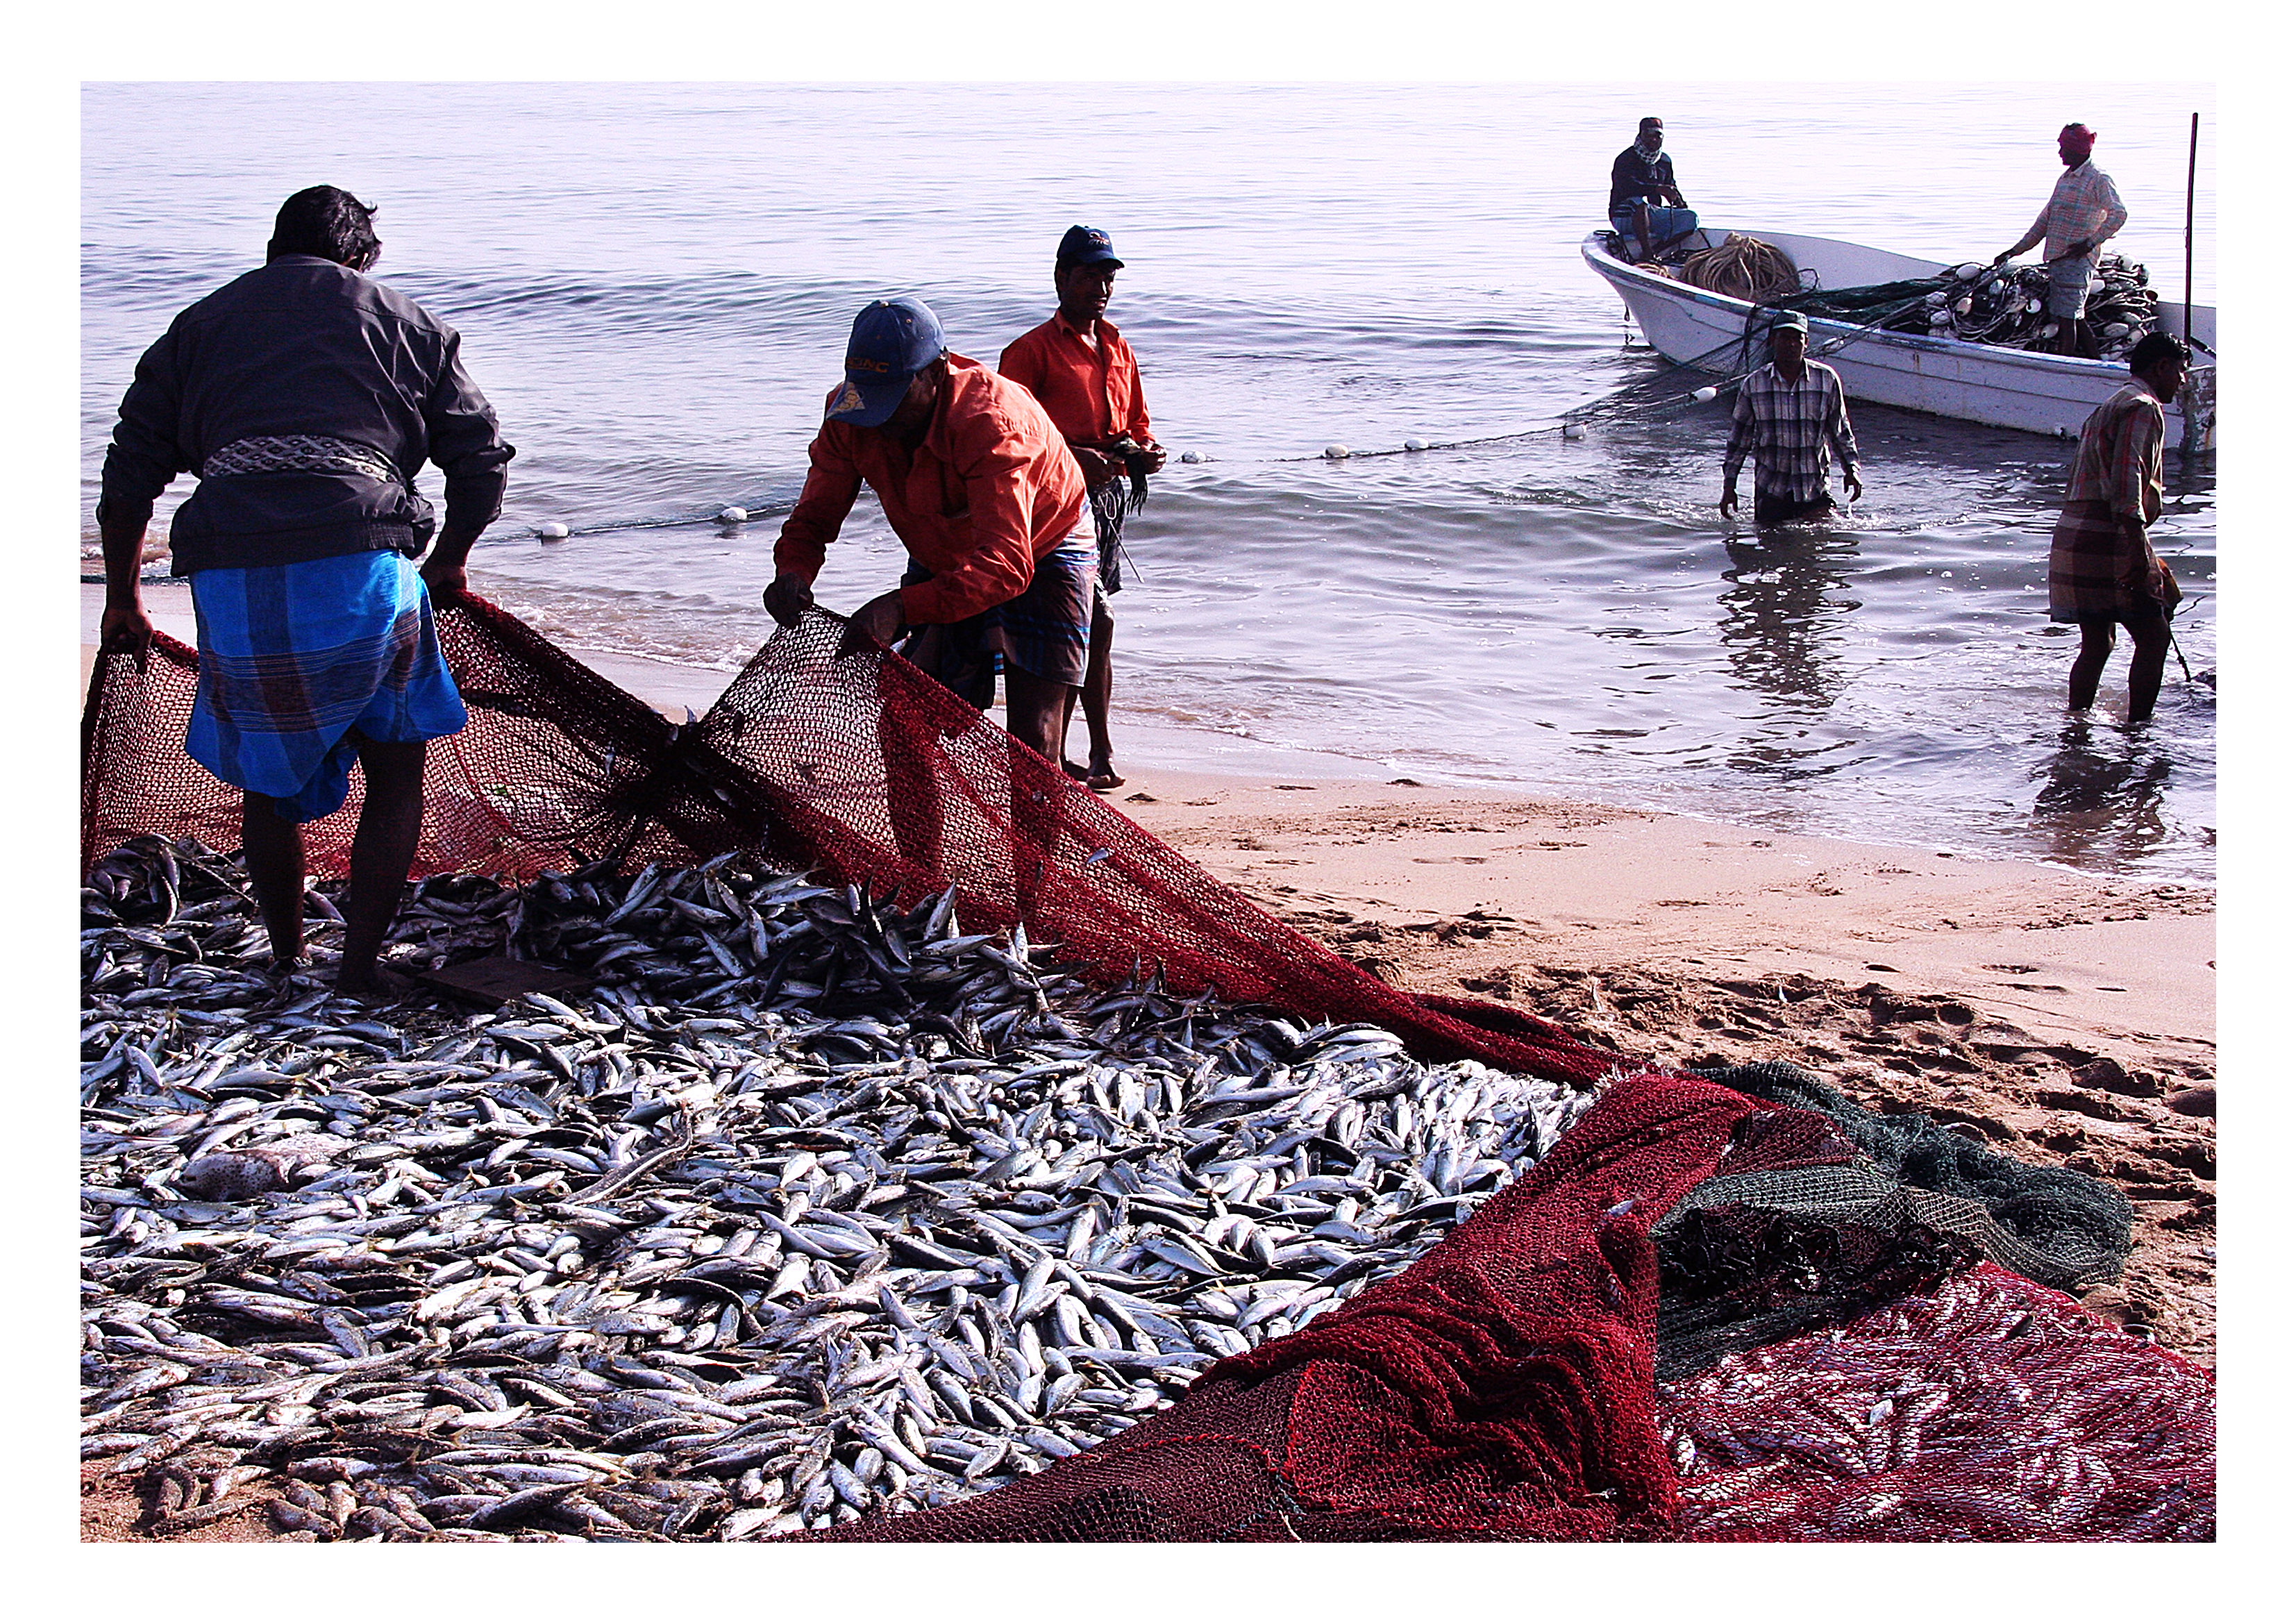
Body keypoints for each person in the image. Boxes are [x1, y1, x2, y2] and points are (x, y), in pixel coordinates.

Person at [97, 185, 512, 997]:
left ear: (273, 249)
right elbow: (481, 461)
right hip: (362, 566)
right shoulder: (410, 322)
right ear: (362, 257)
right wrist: (452, 557)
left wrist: (124, 597)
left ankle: (287, 958)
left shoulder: (200, 324)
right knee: (396, 773)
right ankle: (357, 970)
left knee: (267, 773)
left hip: (235, 574)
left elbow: (128, 474)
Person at [764, 296, 1091, 769]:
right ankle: (918, 849)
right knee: (901, 721)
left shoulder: (991, 423)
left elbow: (1006, 564)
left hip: (1044, 542)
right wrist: (793, 572)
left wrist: (899, 607)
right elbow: (813, 517)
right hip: (942, 544)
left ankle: (1029, 843)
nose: (879, 419)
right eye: (869, 397)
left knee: (1032, 740)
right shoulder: (850, 414)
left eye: (893, 398)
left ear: (936, 372)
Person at [998, 225, 1166, 791]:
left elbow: (1135, 422)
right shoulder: (1029, 352)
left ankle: (1080, 750)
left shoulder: (1117, 346)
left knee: (1091, 623)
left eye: (1108, 276)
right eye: (1091, 274)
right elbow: (1007, 437)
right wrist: (1074, 457)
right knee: (1092, 620)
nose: (1102, 285)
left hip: (1106, 500)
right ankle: (1091, 750)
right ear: (1061, 278)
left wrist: (1143, 452)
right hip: (1053, 504)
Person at [2049, 331, 2189, 726]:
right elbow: (2128, 484)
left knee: (2098, 642)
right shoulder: (2143, 407)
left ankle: (2076, 726)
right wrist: (2134, 552)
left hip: (2076, 532)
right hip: (2108, 535)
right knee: (2154, 637)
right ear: (2161, 367)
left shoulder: (2112, 403)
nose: (2181, 381)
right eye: (2179, 371)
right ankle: (2137, 732)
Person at [1719, 310, 1863, 527]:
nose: (1791, 344)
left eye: (1797, 338)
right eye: (1784, 338)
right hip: (1772, 491)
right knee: (1770, 552)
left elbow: (1840, 432)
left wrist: (1851, 470)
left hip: (1814, 489)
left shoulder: (1826, 380)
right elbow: (1739, 441)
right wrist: (1729, 486)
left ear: (1806, 342)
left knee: (1819, 546)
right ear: (1772, 341)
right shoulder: (1754, 385)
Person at [1995, 123, 2127, 357]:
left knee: (2068, 320)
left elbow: (2119, 214)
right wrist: (2014, 251)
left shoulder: (2098, 178)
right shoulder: (2066, 180)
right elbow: (2043, 223)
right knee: (2074, 316)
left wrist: (2089, 243)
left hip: (2078, 263)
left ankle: (2065, 364)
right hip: (2057, 261)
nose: (2060, 153)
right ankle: (2096, 362)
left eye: (2063, 148)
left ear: (2077, 150)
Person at [1609, 117, 1698, 263]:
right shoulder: (1626, 159)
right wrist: (1657, 189)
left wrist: (1678, 202)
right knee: (1639, 204)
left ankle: (1657, 251)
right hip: (1624, 215)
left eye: (1658, 135)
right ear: (1641, 136)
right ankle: (1647, 252)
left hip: (1651, 214)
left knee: (1690, 217)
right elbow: (1627, 188)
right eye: (1649, 135)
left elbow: (1671, 186)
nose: (1654, 139)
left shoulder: (1664, 161)